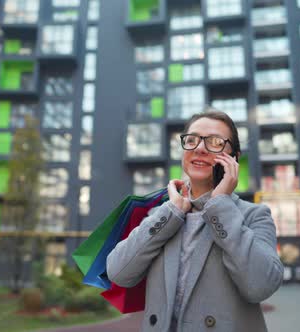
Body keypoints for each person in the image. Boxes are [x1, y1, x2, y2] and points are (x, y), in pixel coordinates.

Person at [107, 110, 283, 332]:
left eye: (215, 142)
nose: (200, 148)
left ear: (234, 158)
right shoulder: (163, 214)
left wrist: (220, 205)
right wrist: (171, 212)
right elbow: (118, 272)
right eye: (192, 140)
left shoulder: (254, 216)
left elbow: (261, 286)